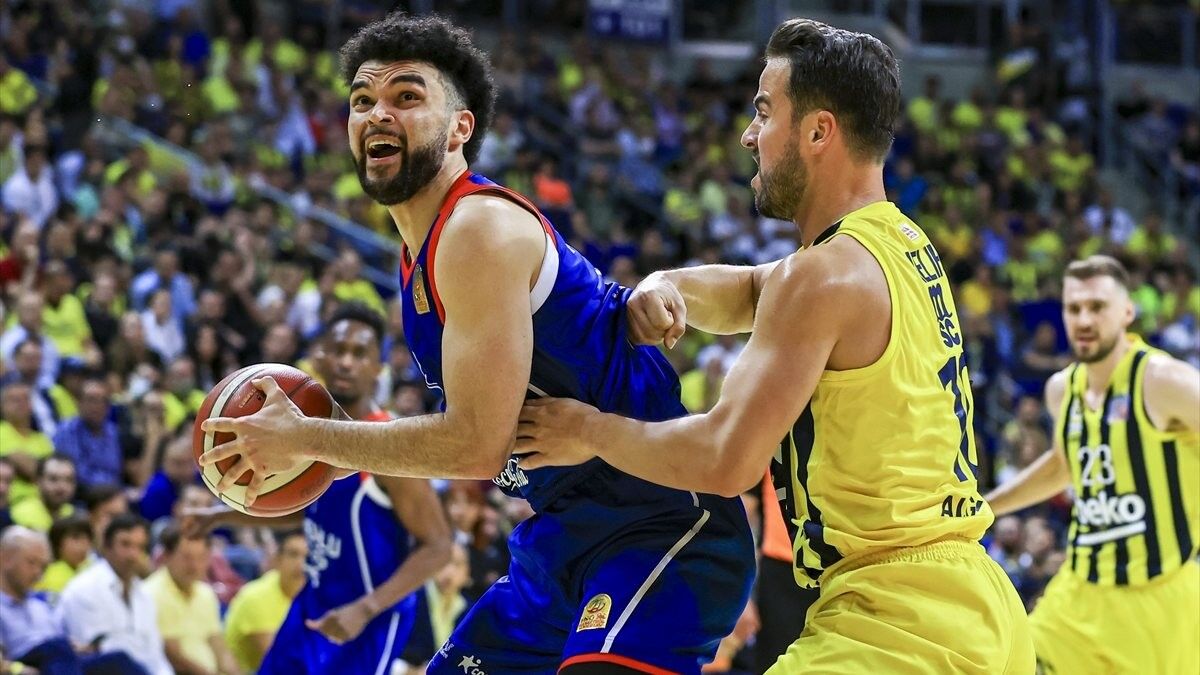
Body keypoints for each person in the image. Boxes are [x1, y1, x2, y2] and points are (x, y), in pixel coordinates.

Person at [198, 13, 754, 674]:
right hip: (563, 536)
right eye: (362, 100)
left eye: (407, 96)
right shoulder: (417, 259)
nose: (377, 113)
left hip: (662, 523)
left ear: (460, 128)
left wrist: (310, 438)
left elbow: (476, 443)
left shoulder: (477, 230)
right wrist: (317, 447)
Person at [515, 18, 1032, 673]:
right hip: (977, 608)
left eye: (764, 113)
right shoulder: (899, 245)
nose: (748, 135)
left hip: (900, 622)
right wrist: (665, 283)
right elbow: (753, 289)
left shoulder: (820, 276)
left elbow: (724, 459)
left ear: (817, 132)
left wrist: (586, 430)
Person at [192, 302, 452, 674]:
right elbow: (306, 509)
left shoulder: (386, 443)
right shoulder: (301, 435)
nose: (345, 362)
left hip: (366, 618)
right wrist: (220, 515)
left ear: (378, 367)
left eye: (359, 353)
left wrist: (365, 609)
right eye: (338, 350)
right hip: (313, 603)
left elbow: (439, 546)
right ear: (320, 357)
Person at [986, 255, 1199, 674]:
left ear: (1127, 312)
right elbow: (1063, 464)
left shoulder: (1164, 381)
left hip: (1158, 599)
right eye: (1074, 308)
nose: (1084, 319)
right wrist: (986, 507)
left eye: (1097, 307)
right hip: (1080, 592)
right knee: (1015, 664)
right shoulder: (1061, 391)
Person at [0, 526, 144, 675]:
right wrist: (18, 669)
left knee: (117, 659)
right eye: (31, 562)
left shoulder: (40, 606)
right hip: (23, 662)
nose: (38, 573)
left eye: (43, 567)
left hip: (59, 662)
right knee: (57, 648)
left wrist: (78, 647)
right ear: (4, 558)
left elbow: (62, 643)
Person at [59, 514, 173, 675]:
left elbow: (155, 655)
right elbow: (94, 652)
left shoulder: (144, 594)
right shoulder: (84, 589)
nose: (132, 555)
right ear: (106, 547)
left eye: (140, 547)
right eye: (125, 544)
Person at [144, 525, 240, 675]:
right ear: (167, 556)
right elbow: (174, 656)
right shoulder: (150, 593)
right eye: (186, 558)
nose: (194, 566)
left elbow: (219, 647)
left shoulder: (206, 593)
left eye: (201, 558)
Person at [223, 529, 308, 673]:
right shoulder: (256, 596)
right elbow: (279, 662)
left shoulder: (313, 595)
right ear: (278, 560)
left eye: (307, 557)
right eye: (293, 555)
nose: (301, 564)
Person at [11, 454, 77, 533]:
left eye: (69, 480)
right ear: (38, 481)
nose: (62, 487)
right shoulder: (19, 513)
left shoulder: (75, 515)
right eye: (53, 479)